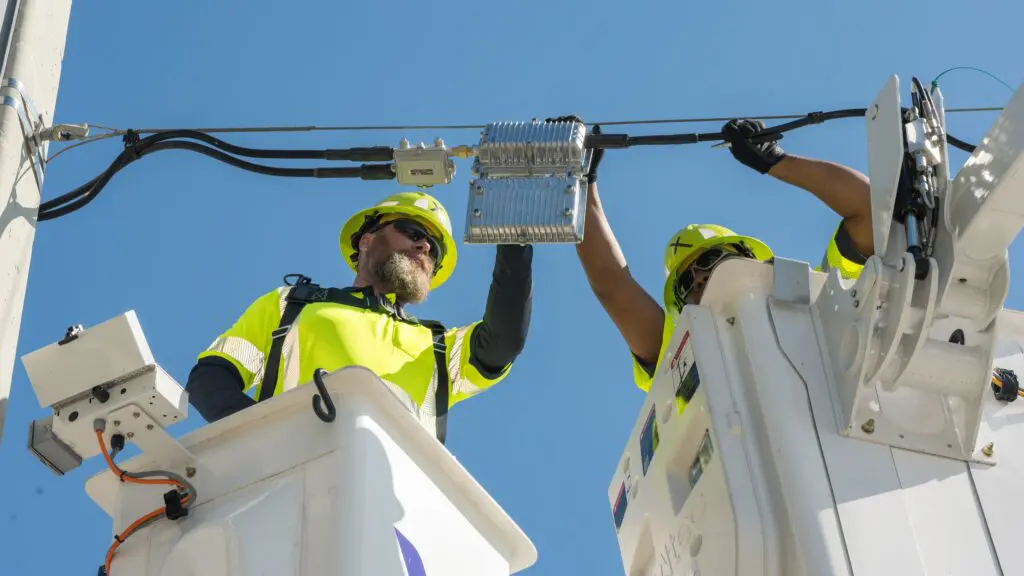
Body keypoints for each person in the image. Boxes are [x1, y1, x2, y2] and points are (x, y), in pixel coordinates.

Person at [184, 190, 533, 444]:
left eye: (434, 250)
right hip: (289, 487)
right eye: (412, 232)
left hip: (391, 515)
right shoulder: (292, 305)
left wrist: (514, 239)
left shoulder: (440, 347)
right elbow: (211, 378)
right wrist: (265, 441)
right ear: (367, 240)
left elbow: (504, 340)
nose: (425, 247)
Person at [576, 118, 874, 393]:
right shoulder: (679, 352)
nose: (700, 276)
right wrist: (580, 183)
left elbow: (869, 210)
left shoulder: (818, 302)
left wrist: (776, 160)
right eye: (684, 284)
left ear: (748, 257)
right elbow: (611, 283)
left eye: (711, 259)